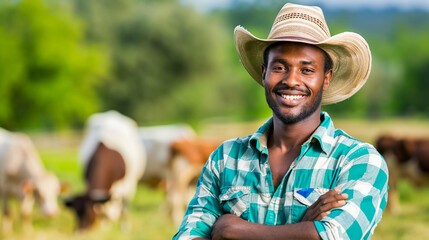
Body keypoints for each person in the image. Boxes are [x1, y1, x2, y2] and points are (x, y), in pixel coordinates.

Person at [173, 3, 388, 240]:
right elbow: (188, 236)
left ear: (325, 79)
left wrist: (231, 229)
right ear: (264, 72)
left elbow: (335, 235)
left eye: (307, 70)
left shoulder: (358, 160)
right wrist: (302, 229)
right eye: (279, 67)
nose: (291, 80)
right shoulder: (225, 158)